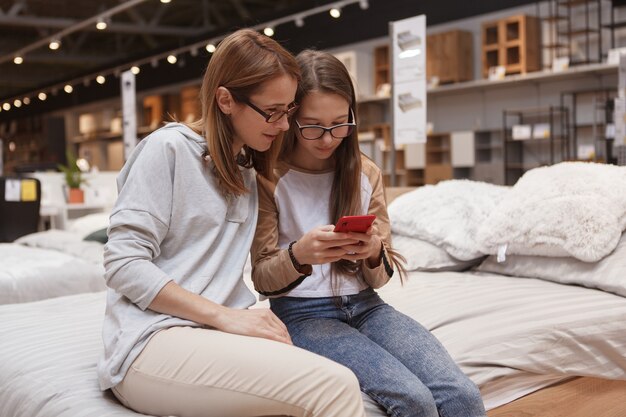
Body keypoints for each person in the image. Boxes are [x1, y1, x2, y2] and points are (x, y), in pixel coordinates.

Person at [97, 30, 367, 417]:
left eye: (288, 110)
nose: (284, 124)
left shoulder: (247, 169)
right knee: (336, 386)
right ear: (225, 100)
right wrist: (224, 315)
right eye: (272, 111)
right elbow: (123, 265)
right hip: (152, 340)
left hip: (214, 335)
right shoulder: (168, 149)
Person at [251, 49, 487, 417]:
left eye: (340, 124)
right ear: (291, 118)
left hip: (367, 306)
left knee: (463, 397)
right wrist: (300, 255)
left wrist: (374, 250)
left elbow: (380, 278)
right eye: (313, 125)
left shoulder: (365, 173)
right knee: (413, 400)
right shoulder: (268, 176)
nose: (328, 139)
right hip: (301, 315)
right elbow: (262, 279)